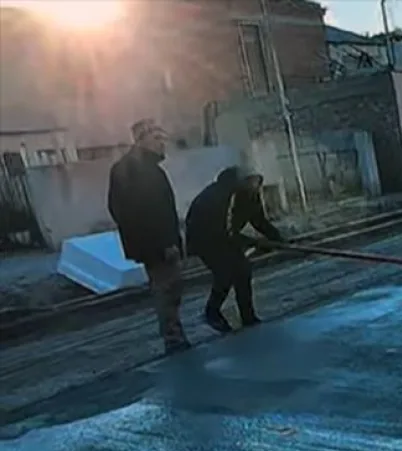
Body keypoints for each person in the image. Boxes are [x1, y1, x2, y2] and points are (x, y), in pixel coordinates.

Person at [107, 118, 191, 355]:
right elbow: (142, 212)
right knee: (166, 289)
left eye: (163, 139)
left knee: (170, 288)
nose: (162, 144)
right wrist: (163, 243)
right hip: (157, 245)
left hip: (157, 243)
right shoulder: (136, 170)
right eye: (157, 139)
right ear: (142, 140)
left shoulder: (144, 168)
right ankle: (173, 338)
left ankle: (174, 334)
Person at [184, 165, 283, 333]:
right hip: (204, 238)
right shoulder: (221, 196)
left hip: (225, 236)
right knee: (225, 273)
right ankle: (212, 312)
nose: (255, 186)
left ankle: (248, 316)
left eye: (257, 182)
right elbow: (222, 230)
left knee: (243, 270)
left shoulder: (250, 195)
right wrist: (254, 242)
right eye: (251, 182)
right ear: (241, 182)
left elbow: (258, 220)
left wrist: (277, 239)